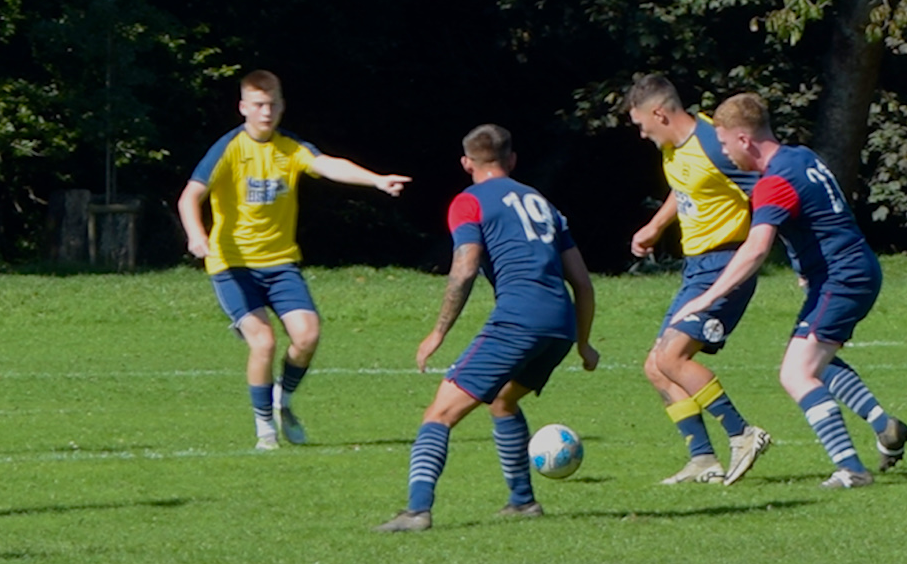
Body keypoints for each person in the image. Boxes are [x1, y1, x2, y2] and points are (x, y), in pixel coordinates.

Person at [676, 93, 907, 489]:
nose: (727, 155)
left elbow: (754, 251)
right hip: (853, 268)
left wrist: (705, 298)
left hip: (842, 277)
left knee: (796, 373)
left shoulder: (774, 183)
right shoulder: (801, 156)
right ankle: (884, 425)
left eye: (726, 144)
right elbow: (824, 214)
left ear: (744, 140)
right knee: (816, 359)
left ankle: (851, 468)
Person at [375, 125, 599, 531]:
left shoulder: (469, 201)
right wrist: (584, 344)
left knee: (439, 414)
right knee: (503, 402)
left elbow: (463, 270)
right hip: (560, 326)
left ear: (466, 163)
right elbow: (582, 283)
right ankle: (523, 502)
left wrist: (438, 333)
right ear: (512, 160)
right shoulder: (543, 202)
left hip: (518, 321)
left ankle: (417, 511)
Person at [178, 70, 410, 450]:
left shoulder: (290, 148)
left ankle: (281, 401)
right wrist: (196, 235)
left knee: (307, 336)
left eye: (272, 104)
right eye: (258, 105)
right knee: (264, 342)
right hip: (231, 264)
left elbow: (328, 165)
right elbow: (189, 197)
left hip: (280, 262)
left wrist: (376, 180)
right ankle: (264, 430)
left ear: (282, 106)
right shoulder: (229, 149)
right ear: (243, 108)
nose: (265, 112)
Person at [625, 74, 774, 485]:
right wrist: (655, 226)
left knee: (673, 357)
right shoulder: (674, 150)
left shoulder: (715, 144)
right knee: (656, 367)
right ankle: (702, 460)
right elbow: (685, 186)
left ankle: (743, 433)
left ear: (659, 113)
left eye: (641, 124)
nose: (641, 133)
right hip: (697, 270)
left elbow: (767, 190)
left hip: (726, 265)